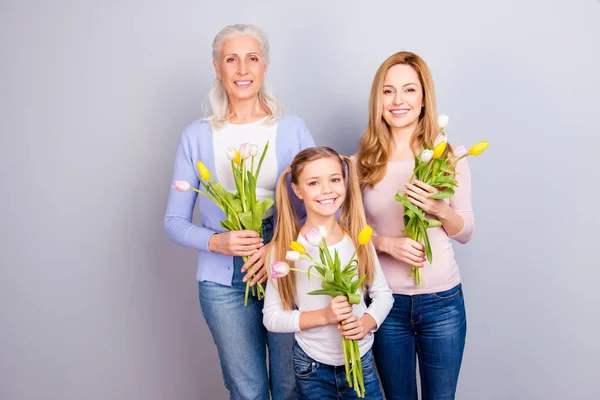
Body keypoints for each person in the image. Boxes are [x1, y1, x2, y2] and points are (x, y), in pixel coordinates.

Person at [164, 24, 315, 400]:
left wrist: (277, 247)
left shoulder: (293, 129)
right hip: (222, 282)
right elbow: (174, 223)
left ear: (265, 67)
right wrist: (218, 241)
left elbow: (319, 208)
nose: (243, 69)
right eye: (232, 59)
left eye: (252, 59)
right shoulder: (196, 135)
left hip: (287, 270)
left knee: (290, 388)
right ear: (218, 67)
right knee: (247, 391)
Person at [355, 51, 474, 400]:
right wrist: (385, 244)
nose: (398, 100)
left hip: (443, 302)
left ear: (424, 98)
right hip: (385, 304)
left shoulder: (449, 157)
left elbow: (466, 231)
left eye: (409, 90)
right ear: (378, 100)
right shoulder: (361, 162)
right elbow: (350, 234)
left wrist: (438, 208)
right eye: (388, 91)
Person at [263, 146, 393, 399]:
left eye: (334, 179)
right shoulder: (285, 250)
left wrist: (366, 323)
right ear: (297, 190)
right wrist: (324, 315)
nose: (327, 190)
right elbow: (272, 317)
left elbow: (383, 294)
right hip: (311, 367)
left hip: (361, 362)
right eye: (314, 183)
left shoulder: (358, 239)